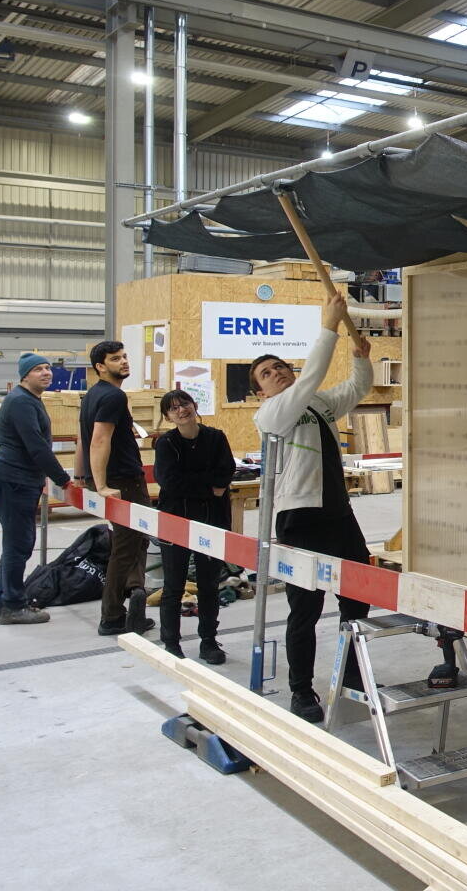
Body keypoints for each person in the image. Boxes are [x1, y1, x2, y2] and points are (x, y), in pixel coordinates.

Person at [253, 292, 373, 723]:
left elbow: (355, 389)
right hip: (298, 518)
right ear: (261, 391)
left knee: (358, 598)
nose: (277, 374)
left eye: (279, 367)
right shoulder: (271, 414)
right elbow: (310, 381)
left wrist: (361, 358)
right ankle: (301, 691)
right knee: (305, 608)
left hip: (338, 514)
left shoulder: (317, 404)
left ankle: (354, 676)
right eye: (267, 374)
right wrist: (330, 324)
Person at [76, 339, 155, 636]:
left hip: (121, 479)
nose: (123, 361)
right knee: (125, 547)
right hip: (125, 482)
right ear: (100, 366)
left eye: (124, 356)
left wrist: (81, 476)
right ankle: (112, 616)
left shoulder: (94, 395)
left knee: (135, 542)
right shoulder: (112, 397)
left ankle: (135, 594)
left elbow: (82, 439)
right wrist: (101, 485)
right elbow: (98, 439)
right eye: (114, 359)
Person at [0, 353, 71, 625]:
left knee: (15, 542)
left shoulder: (28, 399)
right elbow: (37, 447)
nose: (46, 373)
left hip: (18, 479)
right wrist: (63, 479)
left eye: (48, 368)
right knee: (19, 544)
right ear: (25, 375)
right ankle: (12, 606)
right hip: (15, 480)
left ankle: (1, 601)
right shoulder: (21, 402)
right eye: (38, 369)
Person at [153, 389, 235, 664]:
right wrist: (208, 486)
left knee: (209, 585)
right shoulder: (166, 444)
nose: (181, 410)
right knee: (173, 586)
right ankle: (171, 643)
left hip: (212, 521)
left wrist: (198, 484)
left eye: (184, 404)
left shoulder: (216, 438)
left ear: (194, 405)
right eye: (173, 408)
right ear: (167, 416)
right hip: (175, 521)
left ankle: (209, 641)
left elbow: (225, 474)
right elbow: (169, 481)